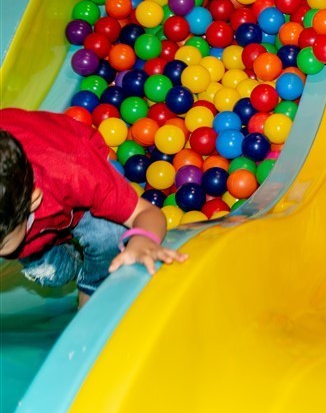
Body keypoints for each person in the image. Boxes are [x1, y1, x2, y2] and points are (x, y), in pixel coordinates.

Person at [0, 108, 187, 307]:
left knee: (110, 236)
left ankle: (92, 285)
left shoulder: (75, 175)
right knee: (54, 275)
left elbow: (146, 212)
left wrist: (143, 242)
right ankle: (72, 257)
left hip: (73, 175)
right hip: (28, 219)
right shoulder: (9, 217)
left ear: (33, 202)